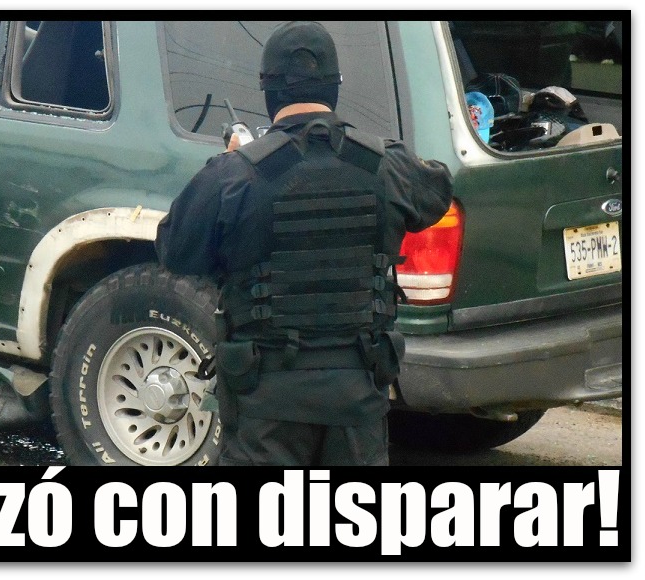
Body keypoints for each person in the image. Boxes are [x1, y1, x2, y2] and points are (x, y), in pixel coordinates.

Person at [155, 21, 454, 466]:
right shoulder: (385, 164)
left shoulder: (235, 173)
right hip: (357, 397)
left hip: (266, 404)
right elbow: (436, 191)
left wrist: (233, 159)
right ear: (335, 86)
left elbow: (175, 250)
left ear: (268, 90)